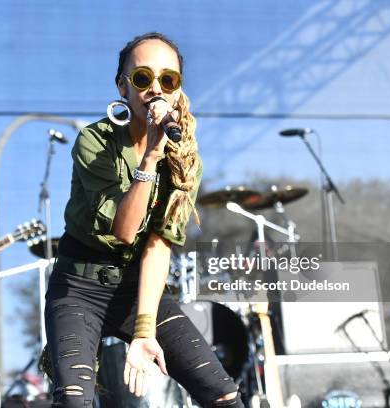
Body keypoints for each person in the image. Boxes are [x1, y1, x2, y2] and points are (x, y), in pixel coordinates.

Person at [44, 32, 243, 407]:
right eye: (142, 78)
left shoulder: (185, 162)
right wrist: (151, 157)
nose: (155, 88)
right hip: (79, 285)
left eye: (168, 79)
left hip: (137, 286)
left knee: (223, 394)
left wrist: (144, 330)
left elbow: (158, 243)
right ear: (123, 87)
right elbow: (124, 230)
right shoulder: (96, 141)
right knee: (74, 400)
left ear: (178, 91)